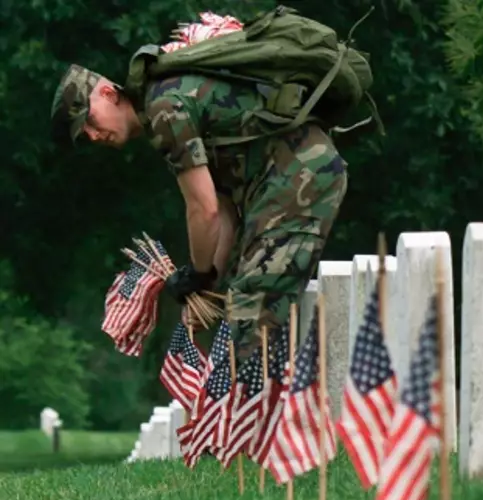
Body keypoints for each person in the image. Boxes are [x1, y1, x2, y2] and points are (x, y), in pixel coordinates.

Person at [49, 64, 348, 363]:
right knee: (243, 310)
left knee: (251, 318)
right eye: (83, 133)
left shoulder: (163, 109)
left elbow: (204, 210)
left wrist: (197, 273)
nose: (91, 134)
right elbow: (224, 209)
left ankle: (265, 403)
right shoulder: (162, 112)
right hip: (281, 185)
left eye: (88, 120)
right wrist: (206, 285)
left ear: (109, 93)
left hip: (300, 176)